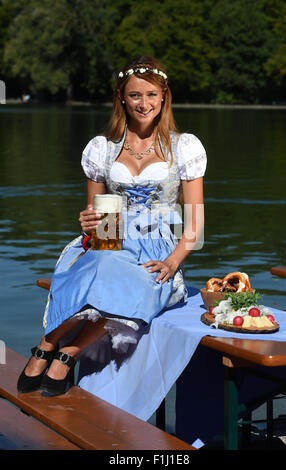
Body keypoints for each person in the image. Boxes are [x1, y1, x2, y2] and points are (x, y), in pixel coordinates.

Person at [17, 56, 207, 397]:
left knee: (128, 278)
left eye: (151, 94)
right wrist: (86, 222)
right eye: (135, 95)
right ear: (121, 97)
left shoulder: (185, 147)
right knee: (103, 263)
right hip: (111, 235)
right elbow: (97, 217)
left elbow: (195, 224)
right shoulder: (102, 147)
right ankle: (52, 345)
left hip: (158, 246)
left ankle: (60, 350)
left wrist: (173, 262)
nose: (144, 103)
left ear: (164, 96)